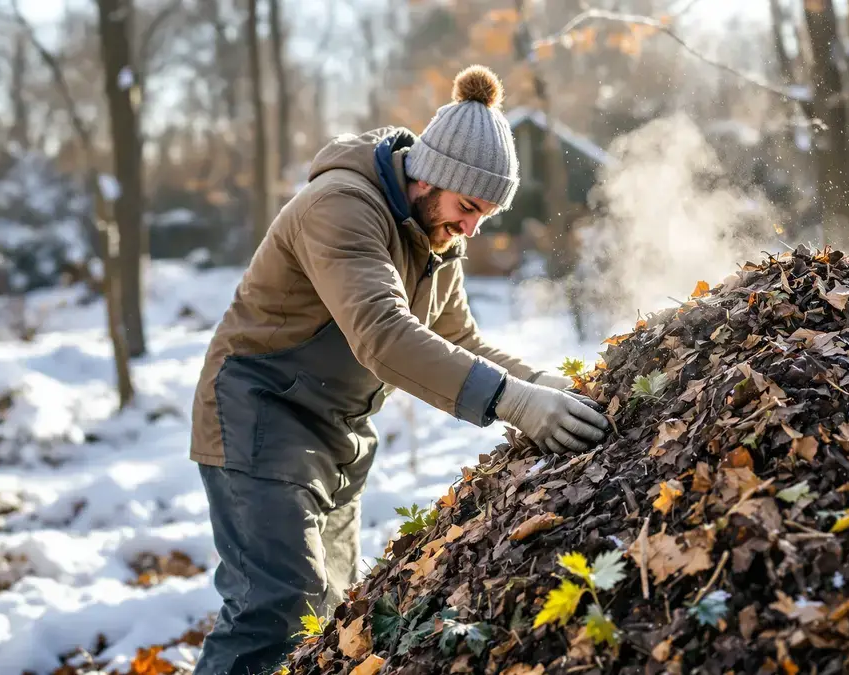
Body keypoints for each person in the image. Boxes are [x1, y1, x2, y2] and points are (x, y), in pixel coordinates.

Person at [188, 65, 610, 674]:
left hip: (336, 433)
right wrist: (514, 405)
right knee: (276, 609)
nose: (472, 228)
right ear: (429, 177)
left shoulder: (435, 234)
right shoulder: (340, 207)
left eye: (485, 215)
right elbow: (383, 335)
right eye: (468, 207)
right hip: (260, 415)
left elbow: (458, 336)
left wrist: (539, 383)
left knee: (328, 620)